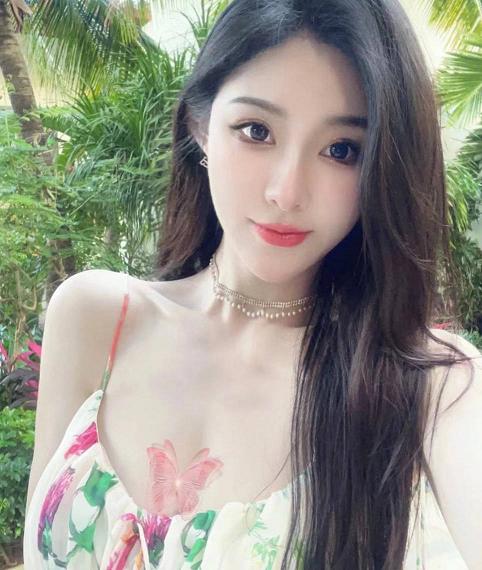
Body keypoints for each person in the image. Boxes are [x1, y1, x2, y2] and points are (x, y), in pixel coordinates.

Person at [23, 0, 482, 568]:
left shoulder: (428, 385)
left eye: (342, 150)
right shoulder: (95, 319)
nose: (286, 192)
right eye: (256, 130)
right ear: (200, 128)